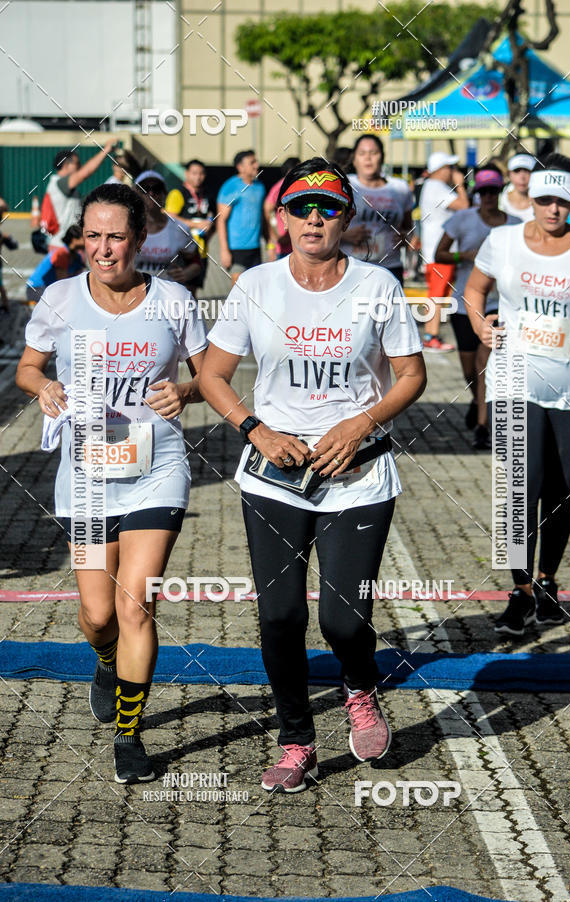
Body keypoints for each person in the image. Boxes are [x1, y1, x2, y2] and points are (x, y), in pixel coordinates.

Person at [199, 158, 426, 792]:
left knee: (344, 621)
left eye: (328, 208)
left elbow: (411, 375)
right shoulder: (256, 285)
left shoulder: (378, 285)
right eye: (301, 207)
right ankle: (296, 740)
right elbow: (213, 376)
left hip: (358, 475)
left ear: (347, 218)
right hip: (274, 477)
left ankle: (360, 686)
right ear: (282, 217)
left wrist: (361, 423)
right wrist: (255, 429)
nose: (314, 219)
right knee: (278, 617)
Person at [15, 183, 207, 783]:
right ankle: (105, 661)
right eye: (93, 236)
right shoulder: (60, 298)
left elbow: (211, 376)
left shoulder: (174, 300)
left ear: (140, 239)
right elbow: (27, 368)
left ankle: (129, 736)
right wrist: (44, 387)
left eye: (116, 236)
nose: (103, 248)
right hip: (88, 478)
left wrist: (185, 391)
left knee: (135, 605)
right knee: (98, 616)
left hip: (157, 470)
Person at [464, 153, 570, 635]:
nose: (552, 209)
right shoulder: (503, 241)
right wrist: (480, 326)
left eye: (562, 201)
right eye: (544, 199)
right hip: (514, 375)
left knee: (559, 490)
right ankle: (520, 591)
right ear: (530, 198)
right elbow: (474, 290)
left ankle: (547, 582)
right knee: (521, 486)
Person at [435, 165, 520, 449]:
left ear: (500, 192)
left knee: (485, 363)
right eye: (483, 192)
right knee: (470, 370)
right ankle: (477, 400)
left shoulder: (515, 224)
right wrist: (465, 255)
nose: (488, 196)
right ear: (477, 194)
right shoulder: (462, 219)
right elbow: (439, 253)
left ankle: (484, 426)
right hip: (465, 303)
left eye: (493, 191)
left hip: (500, 305)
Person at [340, 135, 413, 286]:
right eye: (362, 153)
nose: (368, 158)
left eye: (373, 153)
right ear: (354, 159)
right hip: (351, 265)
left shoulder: (400, 188)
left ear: (382, 157)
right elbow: (324, 223)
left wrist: (405, 238)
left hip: (390, 267)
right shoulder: (344, 185)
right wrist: (344, 236)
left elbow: (408, 228)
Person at [419, 151, 469, 351]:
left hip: (436, 251)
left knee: (438, 294)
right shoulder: (437, 187)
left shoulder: (431, 186)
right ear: (440, 170)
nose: (453, 171)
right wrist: (460, 185)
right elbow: (464, 206)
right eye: (450, 167)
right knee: (437, 295)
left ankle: (432, 335)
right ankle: (431, 336)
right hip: (440, 253)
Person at [134, 170, 204, 292]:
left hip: (167, 295)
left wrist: (186, 273)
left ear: (164, 194)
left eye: (156, 189)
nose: (151, 193)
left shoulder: (179, 228)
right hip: (134, 294)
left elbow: (196, 262)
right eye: (145, 189)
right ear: (137, 194)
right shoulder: (127, 226)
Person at [46, 141, 116, 246]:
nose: (80, 166)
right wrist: (105, 150)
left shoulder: (61, 185)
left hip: (69, 243)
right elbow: (84, 173)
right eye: (77, 163)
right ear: (66, 165)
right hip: (61, 244)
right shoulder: (59, 183)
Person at [165, 159, 215, 293]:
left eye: (201, 173)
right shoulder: (178, 193)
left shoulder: (208, 194)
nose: (198, 177)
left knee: (193, 292)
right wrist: (195, 224)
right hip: (182, 251)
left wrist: (209, 228)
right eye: (194, 173)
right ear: (186, 173)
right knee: (179, 291)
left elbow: (212, 219)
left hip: (201, 250)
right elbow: (169, 217)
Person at [216, 150, 265, 284]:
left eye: (256, 161)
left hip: (255, 248)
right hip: (236, 249)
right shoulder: (230, 187)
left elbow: (263, 218)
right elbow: (221, 220)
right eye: (252, 162)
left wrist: (270, 244)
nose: (256, 165)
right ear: (240, 167)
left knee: (255, 288)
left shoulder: (260, 187)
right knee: (239, 289)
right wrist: (224, 250)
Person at [26, 224, 85, 303]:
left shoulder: (77, 257)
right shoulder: (61, 254)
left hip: (48, 288)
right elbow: (62, 283)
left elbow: (79, 280)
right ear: (74, 240)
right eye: (85, 238)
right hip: (36, 289)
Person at [263, 157, 301, 261]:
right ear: (289, 171)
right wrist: (276, 236)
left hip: (297, 245)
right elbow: (268, 210)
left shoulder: (300, 186)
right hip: (282, 248)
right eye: (298, 169)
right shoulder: (280, 187)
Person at [499, 153, 535, 222]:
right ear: (509, 174)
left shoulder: (546, 203)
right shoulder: (499, 199)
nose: (522, 177)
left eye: (527, 171)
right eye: (517, 171)